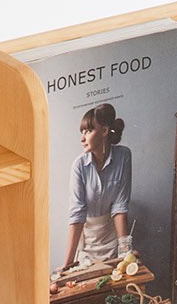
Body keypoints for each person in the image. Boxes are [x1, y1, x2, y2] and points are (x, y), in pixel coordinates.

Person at [55, 103, 132, 277]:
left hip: (113, 238)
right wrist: (67, 264)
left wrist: (125, 251)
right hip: (87, 241)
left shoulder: (124, 156)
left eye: (88, 131)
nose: (82, 138)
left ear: (104, 131)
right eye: (82, 132)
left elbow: (120, 206)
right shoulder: (79, 166)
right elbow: (77, 215)